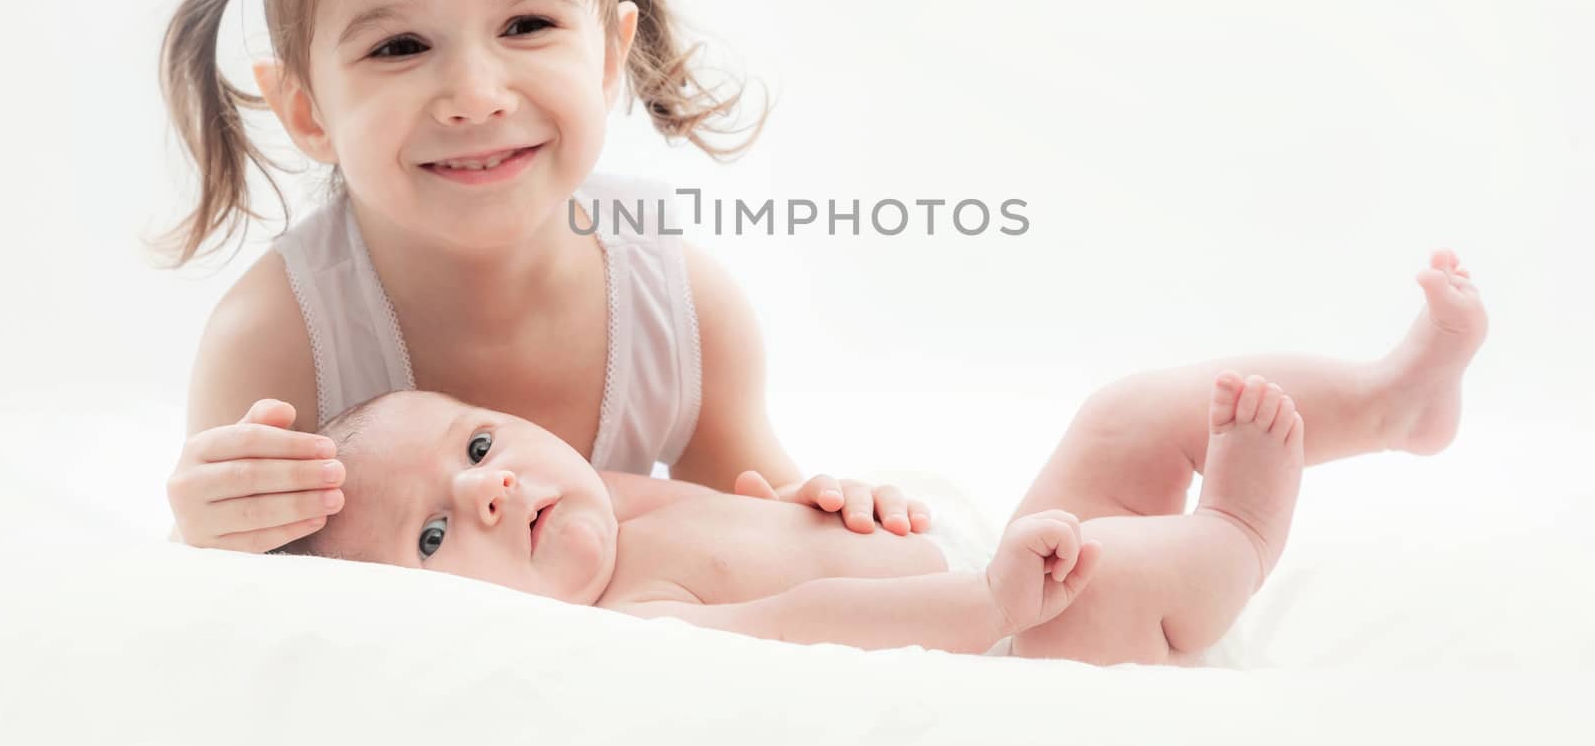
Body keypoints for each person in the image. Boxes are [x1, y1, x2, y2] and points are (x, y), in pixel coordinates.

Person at [157, 0, 935, 553]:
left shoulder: (682, 314)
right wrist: (208, 531)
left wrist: (835, 518)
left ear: (607, 54)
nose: (476, 96)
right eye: (399, 46)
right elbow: (230, 613)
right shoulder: (279, 342)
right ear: (306, 110)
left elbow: (755, 533)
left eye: (526, 25)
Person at [279, 252, 1487, 665]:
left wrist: (817, 497)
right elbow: (805, 620)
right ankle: (1236, 535)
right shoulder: (623, 622)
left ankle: (1392, 401)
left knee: (1126, 413)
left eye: (477, 442)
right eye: (435, 532)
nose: (486, 483)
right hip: (1022, 628)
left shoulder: (617, 496)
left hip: (1000, 565)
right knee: (1118, 568)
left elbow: (781, 534)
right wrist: (979, 598)